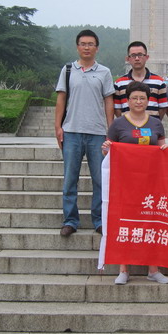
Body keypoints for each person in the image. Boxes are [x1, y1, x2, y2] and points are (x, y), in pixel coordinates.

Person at [102, 81, 168, 285]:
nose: (138, 102)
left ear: (148, 100)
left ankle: (153, 269)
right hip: (126, 184)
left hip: (151, 183)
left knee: (152, 223)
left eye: (142, 98)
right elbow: (107, 152)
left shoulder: (155, 123)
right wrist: (106, 149)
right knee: (126, 223)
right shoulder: (118, 124)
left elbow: (162, 150)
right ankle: (124, 269)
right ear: (127, 101)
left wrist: (165, 151)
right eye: (134, 98)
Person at [55, 29, 115, 237]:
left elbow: (109, 101)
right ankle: (70, 220)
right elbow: (61, 98)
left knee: (100, 180)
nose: (87, 47)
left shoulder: (104, 72)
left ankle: (99, 220)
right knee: (70, 179)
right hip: (71, 131)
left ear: (97, 48)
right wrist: (57, 126)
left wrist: (110, 130)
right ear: (77, 47)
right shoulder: (68, 70)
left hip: (97, 133)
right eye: (83, 44)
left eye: (90, 44)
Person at [114, 41, 168, 119]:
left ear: (147, 57)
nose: (137, 58)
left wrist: (154, 122)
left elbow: (163, 108)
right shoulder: (119, 83)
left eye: (140, 55)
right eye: (133, 55)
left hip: (151, 126)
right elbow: (117, 109)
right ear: (128, 59)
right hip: (127, 126)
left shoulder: (159, 82)